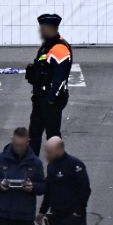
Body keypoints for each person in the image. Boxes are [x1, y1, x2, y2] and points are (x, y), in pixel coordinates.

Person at [26, 14, 73, 143]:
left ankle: (57, 157)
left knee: (53, 136)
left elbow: (60, 77)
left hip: (51, 99)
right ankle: (32, 157)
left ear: (51, 28)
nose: (40, 31)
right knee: (34, 134)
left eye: (42, 28)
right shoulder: (46, 45)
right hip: (40, 97)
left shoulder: (60, 48)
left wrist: (51, 99)